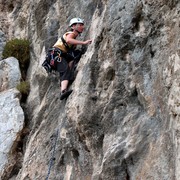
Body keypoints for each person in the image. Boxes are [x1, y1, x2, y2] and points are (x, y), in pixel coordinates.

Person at [44, 18, 92, 100]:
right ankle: (63, 91)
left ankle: (68, 77)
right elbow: (69, 40)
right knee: (65, 69)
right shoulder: (71, 33)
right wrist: (83, 43)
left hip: (56, 56)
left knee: (70, 60)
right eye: (80, 25)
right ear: (73, 26)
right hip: (55, 55)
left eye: (82, 25)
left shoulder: (74, 42)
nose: (82, 27)